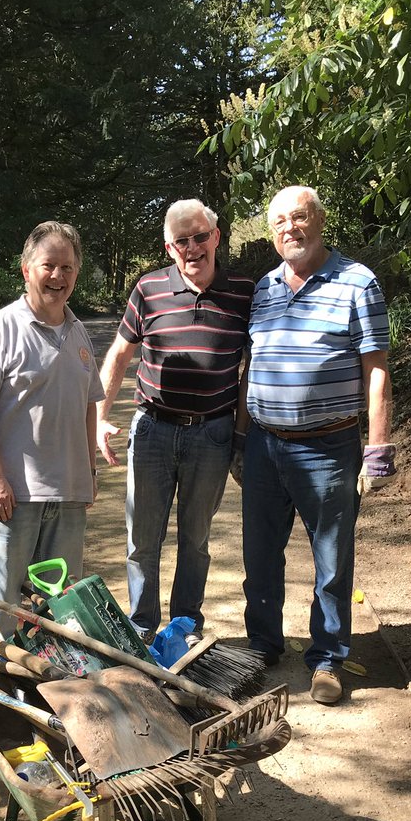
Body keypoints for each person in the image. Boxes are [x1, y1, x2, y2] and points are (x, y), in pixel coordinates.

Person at [234, 185, 396, 704]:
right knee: (259, 555)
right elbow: (250, 368)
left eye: (298, 218)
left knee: (331, 559)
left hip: (328, 448)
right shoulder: (263, 288)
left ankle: (327, 658)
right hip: (263, 444)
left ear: (319, 221)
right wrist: (241, 439)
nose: (289, 229)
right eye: (279, 221)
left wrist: (377, 452)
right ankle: (263, 645)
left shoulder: (357, 283)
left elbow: (377, 373)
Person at [96, 198, 254, 644]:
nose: (192, 247)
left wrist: (242, 436)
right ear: (169, 247)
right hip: (152, 431)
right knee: (142, 539)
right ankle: (142, 628)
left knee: (195, 540)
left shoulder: (245, 291)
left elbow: (254, 368)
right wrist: (99, 419)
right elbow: (119, 356)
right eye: (181, 240)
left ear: (216, 237)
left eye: (200, 236)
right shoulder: (148, 290)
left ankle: (184, 624)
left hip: (213, 433)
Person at [0, 220, 103, 636]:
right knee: (2, 601)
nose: (58, 276)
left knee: (64, 608)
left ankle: (51, 689)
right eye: (49, 266)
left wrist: (90, 472)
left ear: (76, 273)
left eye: (67, 268)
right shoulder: (0, 329)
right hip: (14, 495)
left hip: (68, 495)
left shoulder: (79, 334)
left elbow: (88, 407)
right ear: (27, 270)